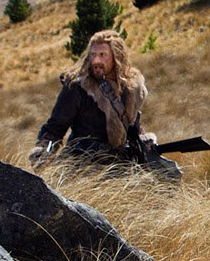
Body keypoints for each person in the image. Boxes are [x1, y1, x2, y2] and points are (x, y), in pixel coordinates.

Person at [30, 29, 178, 179]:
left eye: (102, 55)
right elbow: (55, 127)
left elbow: (131, 125)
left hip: (119, 165)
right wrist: (43, 150)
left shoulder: (131, 87)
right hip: (82, 165)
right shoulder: (78, 87)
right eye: (93, 55)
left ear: (117, 56)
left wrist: (145, 141)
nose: (96, 61)